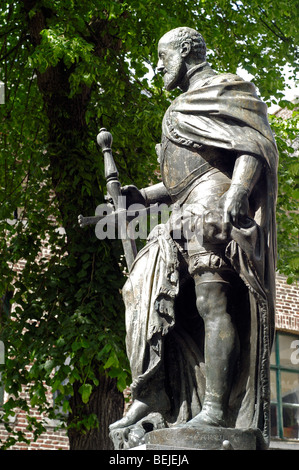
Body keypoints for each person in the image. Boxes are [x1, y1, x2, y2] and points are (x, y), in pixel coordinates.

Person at [109, 27, 278, 449]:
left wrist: (239, 190)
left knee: (212, 302)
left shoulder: (228, 89)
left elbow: (253, 146)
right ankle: (157, 393)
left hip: (213, 210)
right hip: (181, 213)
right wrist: (141, 197)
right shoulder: (180, 106)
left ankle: (216, 408)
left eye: (163, 58)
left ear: (186, 51)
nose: (158, 68)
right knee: (141, 293)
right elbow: (182, 177)